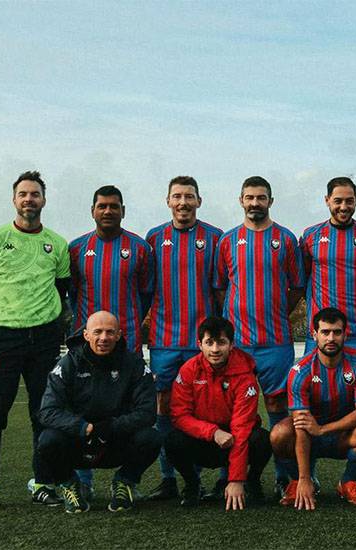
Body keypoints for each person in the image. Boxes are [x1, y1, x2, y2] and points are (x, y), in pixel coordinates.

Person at [213, 175, 305, 498]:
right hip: (238, 345)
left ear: (270, 201)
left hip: (276, 342)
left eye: (261, 197)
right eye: (249, 197)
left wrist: (277, 311)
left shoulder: (286, 239)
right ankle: (231, 476)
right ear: (241, 200)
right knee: (232, 410)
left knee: (279, 408)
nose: (255, 203)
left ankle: (285, 477)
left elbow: (297, 288)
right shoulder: (227, 241)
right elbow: (221, 287)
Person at [68, 185, 154, 496]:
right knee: (81, 411)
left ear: (123, 210)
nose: (108, 211)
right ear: (92, 210)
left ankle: (126, 481)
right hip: (86, 349)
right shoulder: (76, 248)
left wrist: (127, 326)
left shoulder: (140, 248)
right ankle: (82, 484)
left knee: (130, 413)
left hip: (126, 347)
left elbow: (146, 293)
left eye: (114, 206)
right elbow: (74, 293)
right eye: (102, 206)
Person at [300, 176, 356, 497]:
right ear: (327, 201)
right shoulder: (309, 237)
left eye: (349, 201)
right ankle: (311, 476)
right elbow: (303, 280)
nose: (344, 206)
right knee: (312, 401)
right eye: (338, 201)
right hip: (318, 336)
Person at [0, 171, 70, 508]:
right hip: (1, 337)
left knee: (44, 413)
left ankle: (43, 483)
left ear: (43, 200)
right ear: (14, 200)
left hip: (44, 339)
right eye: (23, 194)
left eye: (35, 194)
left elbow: (62, 290)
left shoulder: (58, 243)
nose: (29, 199)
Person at [143, 175, 223, 501]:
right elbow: (145, 290)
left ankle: (211, 476)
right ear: (168, 201)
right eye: (177, 196)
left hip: (203, 343)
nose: (183, 202)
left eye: (189, 196)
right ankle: (169, 479)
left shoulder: (216, 238)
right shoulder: (152, 238)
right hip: (164, 340)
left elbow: (221, 291)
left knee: (206, 408)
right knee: (164, 409)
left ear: (199, 201)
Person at [34, 311, 161, 513]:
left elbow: (147, 412)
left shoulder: (134, 364)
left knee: (151, 438)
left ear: (119, 335)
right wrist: (83, 427)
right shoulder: (68, 364)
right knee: (48, 440)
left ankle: (124, 482)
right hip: (77, 441)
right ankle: (69, 483)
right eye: (98, 332)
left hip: (116, 441)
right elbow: (48, 411)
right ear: (86, 335)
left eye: (110, 332)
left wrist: (110, 427)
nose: (104, 338)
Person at [270, 308, 356, 509]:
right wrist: (303, 478)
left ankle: (347, 482)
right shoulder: (300, 371)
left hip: (343, 435)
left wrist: (322, 429)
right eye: (325, 332)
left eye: (337, 332)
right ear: (314, 334)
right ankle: (298, 482)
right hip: (309, 436)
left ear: (345, 334)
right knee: (280, 433)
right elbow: (301, 426)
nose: (331, 338)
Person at [166, 316, 271, 510]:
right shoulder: (189, 370)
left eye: (221, 342)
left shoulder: (245, 374)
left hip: (235, 437)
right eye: (209, 343)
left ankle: (251, 480)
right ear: (200, 345)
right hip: (204, 437)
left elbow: (241, 427)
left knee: (263, 439)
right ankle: (193, 484)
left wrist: (236, 479)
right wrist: (212, 432)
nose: (215, 349)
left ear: (232, 344)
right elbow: (179, 416)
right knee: (172, 440)